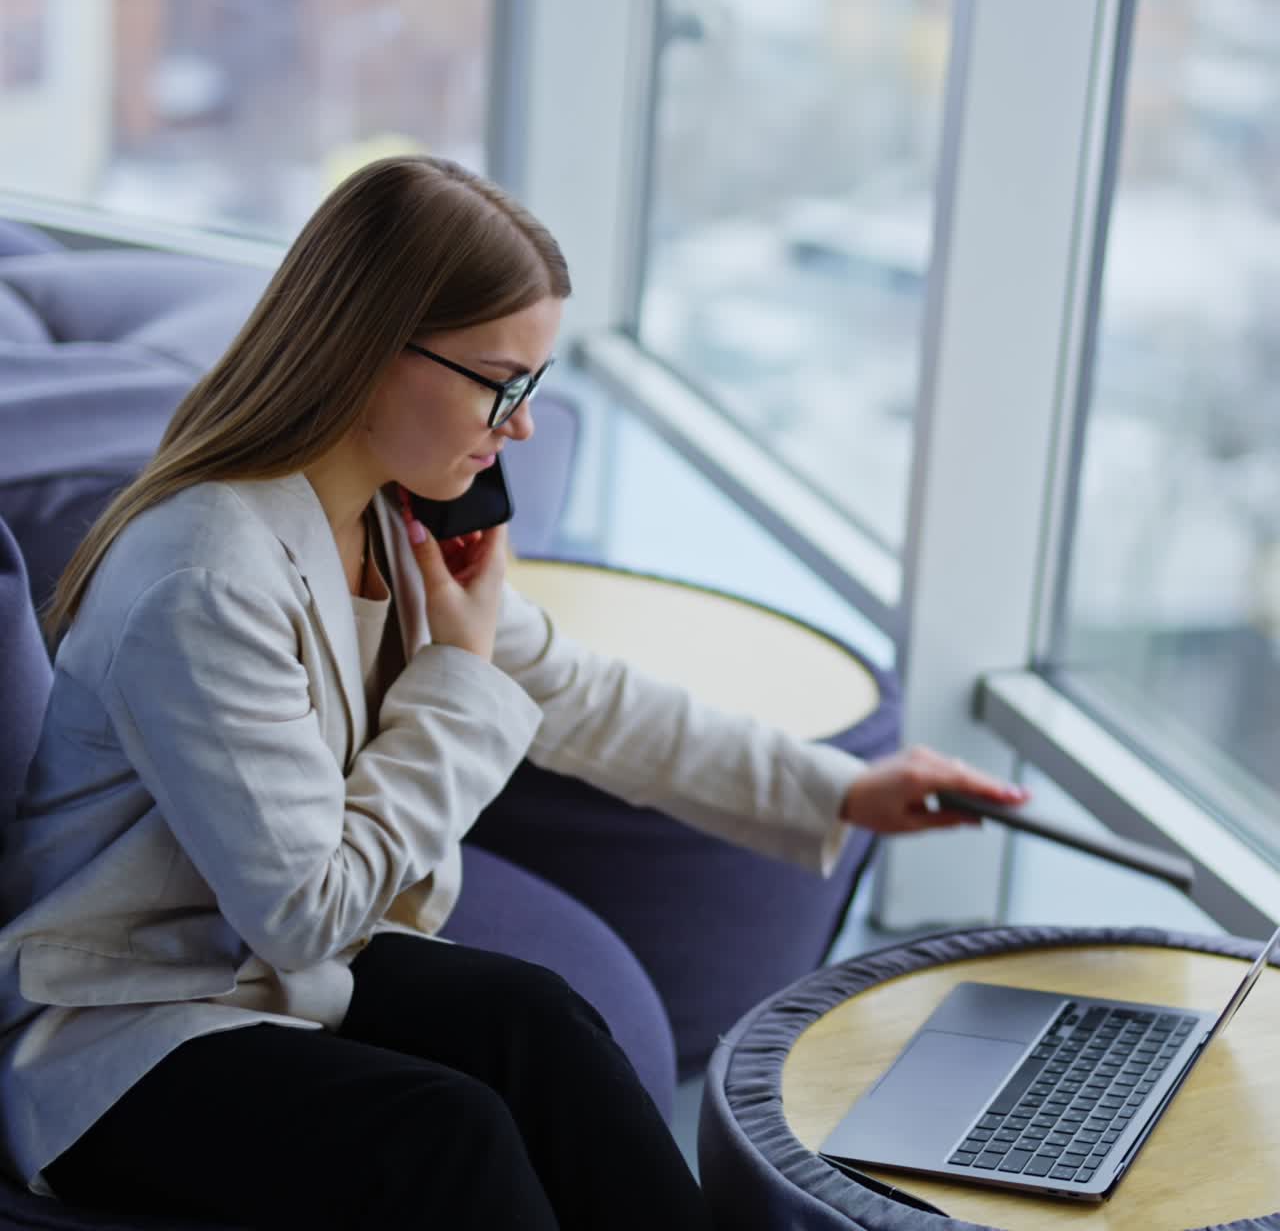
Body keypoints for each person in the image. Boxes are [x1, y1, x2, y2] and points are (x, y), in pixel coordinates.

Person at [0, 156, 1027, 1230]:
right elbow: (308, 912)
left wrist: (842, 789)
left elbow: (582, 695)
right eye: (502, 382)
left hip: (268, 976)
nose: (521, 425)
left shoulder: (392, 521)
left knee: (535, 1016)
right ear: (368, 348)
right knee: (447, 1132)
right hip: (127, 1026)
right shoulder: (205, 578)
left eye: (533, 384)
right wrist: (457, 674)